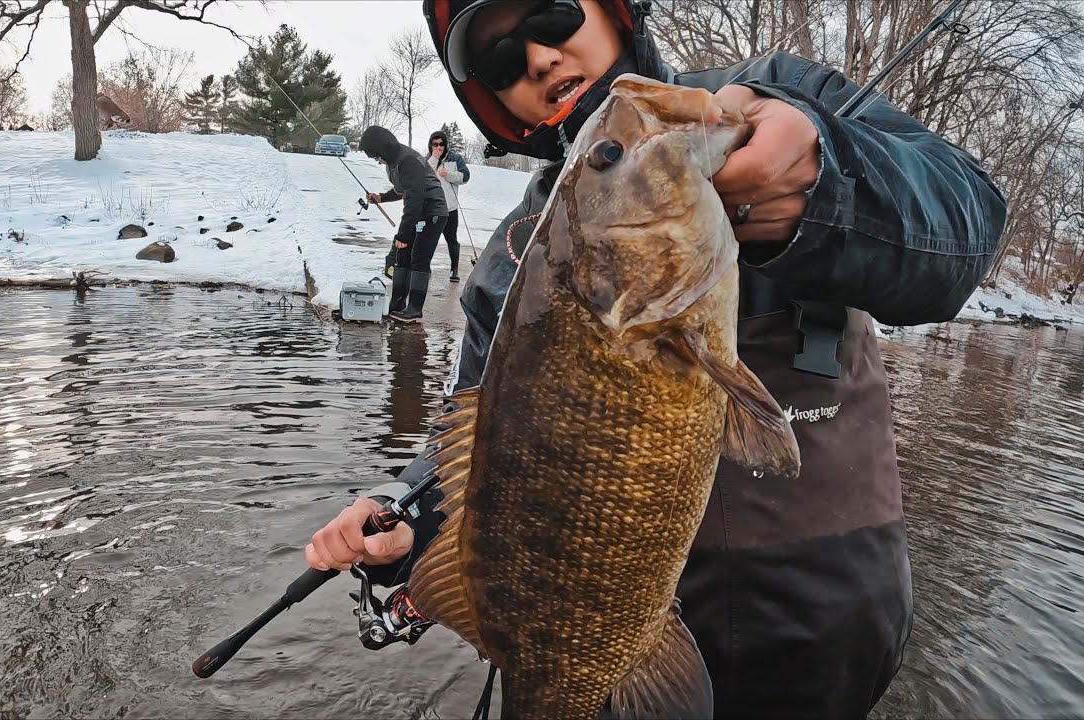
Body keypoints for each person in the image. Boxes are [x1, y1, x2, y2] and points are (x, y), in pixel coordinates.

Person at [311, 1, 1008, 717]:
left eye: (550, 15)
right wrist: (411, 510)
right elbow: (472, 434)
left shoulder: (779, 97)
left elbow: (969, 229)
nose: (539, 59)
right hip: (605, 659)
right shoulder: (511, 257)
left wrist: (824, 182)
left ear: (616, 11)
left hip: (819, 627)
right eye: (498, 59)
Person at [360, 125, 451, 323]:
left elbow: (415, 200)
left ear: (384, 149)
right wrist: (381, 198)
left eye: (377, 157)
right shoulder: (393, 162)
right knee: (402, 255)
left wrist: (403, 235)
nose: (378, 161)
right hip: (419, 210)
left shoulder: (408, 160)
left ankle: (415, 309)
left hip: (432, 212)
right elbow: (403, 190)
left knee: (418, 256)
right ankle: (397, 303)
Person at [426, 129, 472, 282]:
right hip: (432, 207)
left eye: (441, 144)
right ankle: (425, 266)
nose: (438, 147)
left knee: (451, 239)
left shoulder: (455, 158)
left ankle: (455, 269)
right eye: (435, 144)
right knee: (429, 238)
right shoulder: (427, 160)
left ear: (445, 145)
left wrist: (450, 175)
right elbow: (424, 178)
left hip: (450, 207)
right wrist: (433, 159)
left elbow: (466, 177)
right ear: (431, 145)